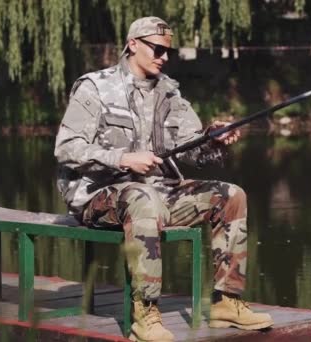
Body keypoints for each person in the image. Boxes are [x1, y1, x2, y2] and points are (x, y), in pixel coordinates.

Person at [54, 16, 273, 342]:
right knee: (143, 200)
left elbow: (189, 150)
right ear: (133, 45)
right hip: (97, 195)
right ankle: (145, 315)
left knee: (231, 195)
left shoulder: (168, 92)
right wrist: (124, 158)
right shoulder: (96, 88)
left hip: (153, 193)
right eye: (157, 49)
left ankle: (227, 301)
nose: (164, 57)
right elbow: (66, 148)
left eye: (167, 51)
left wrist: (212, 138)